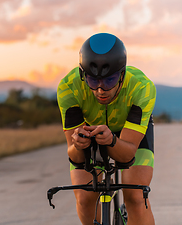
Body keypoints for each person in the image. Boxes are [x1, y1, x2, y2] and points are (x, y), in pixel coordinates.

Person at [57, 33, 156, 225]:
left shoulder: (142, 87)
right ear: (82, 75)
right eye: (93, 81)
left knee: (136, 197)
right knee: (85, 199)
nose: (100, 90)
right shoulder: (68, 87)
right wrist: (78, 145)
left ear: (122, 74)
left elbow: (127, 155)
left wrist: (112, 141)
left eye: (109, 81)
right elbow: (75, 156)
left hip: (129, 135)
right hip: (92, 133)